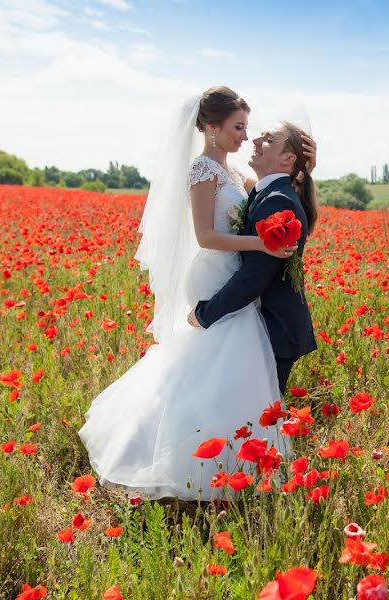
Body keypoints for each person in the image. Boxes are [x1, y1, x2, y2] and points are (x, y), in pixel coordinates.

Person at [77, 86, 316, 502]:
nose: (246, 137)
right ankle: (198, 455)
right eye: (238, 127)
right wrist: (261, 244)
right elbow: (206, 236)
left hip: (236, 279)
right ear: (211, 126)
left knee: (219, 367)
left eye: (248, 128)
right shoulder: (203, 170)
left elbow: (275, 186)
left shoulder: (234, 174)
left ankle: (228, 452)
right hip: (216, 275)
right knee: (211, 362)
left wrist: (305, 165)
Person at [188, 119, 318, 396]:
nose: (254, 141)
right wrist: (305, 172)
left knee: (257, 420)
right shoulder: (267, 193)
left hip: (274, 329)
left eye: (268, 139)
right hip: (264, 325)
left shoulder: (277, 200)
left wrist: (204, 315)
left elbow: (254, 277)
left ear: (287, 158)